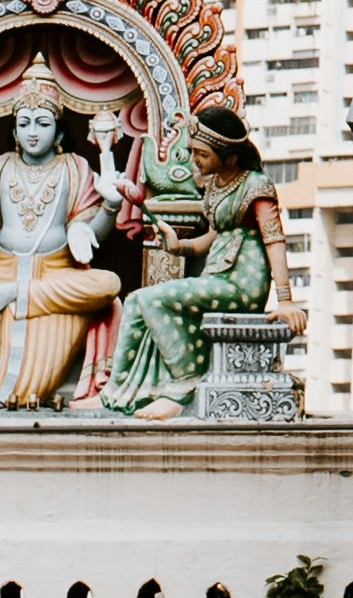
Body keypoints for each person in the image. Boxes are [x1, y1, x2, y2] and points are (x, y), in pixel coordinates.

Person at [0, 64, 132, 412]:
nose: (32, 133)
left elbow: (86, 238)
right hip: (2, 270)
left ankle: (18, 297)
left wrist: (109, 208)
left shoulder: (75, 167)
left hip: (57, 273)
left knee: (107, 285)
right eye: (24, 124)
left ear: (58, 132)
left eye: (42, 123)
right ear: (14, 130)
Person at [98, 105, 302, 417]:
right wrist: (180, 246)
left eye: (201, 154)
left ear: (230, 157)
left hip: (241, 282)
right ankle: (118, 392)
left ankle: (184, 387)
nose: (195, 160)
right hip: (217, 276)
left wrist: (285, 299)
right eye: (193, 152)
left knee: (154, 299)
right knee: (137, 299)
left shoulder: (255, 185)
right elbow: (214, 237)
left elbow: (273, 238)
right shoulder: (215, 185)